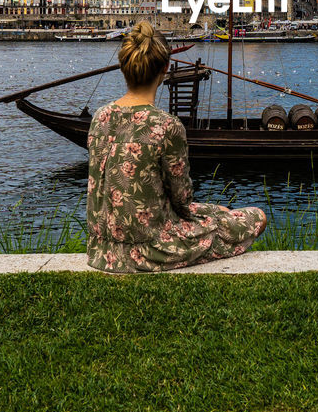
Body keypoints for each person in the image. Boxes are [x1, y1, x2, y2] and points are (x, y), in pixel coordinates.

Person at [86, 20, 266, 273]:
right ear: (165, 68)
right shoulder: (167, 126)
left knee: (217, 212)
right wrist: (212, 215)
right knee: (256, 216)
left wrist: (211, 211)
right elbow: (182, 201)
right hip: (151, 250)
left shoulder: (100, 117)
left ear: (123, 67)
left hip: (102, 250)